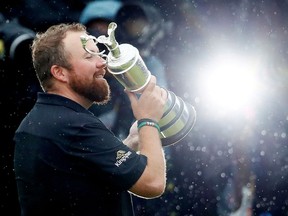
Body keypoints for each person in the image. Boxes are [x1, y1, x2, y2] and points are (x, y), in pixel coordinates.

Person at [13, 22, 168, 216]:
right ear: (59, 72)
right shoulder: (74, 126)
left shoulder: (37, 121)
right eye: (89, 56)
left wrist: (131, 143)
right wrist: (148, 120)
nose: (102, 63)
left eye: (98, 53)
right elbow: (152, 183)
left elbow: (84, 177)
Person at [79, 0, 134, 139]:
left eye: (109, 37)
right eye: (94, 34)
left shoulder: (133, 82)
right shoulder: (67, 82)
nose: (102, 50)